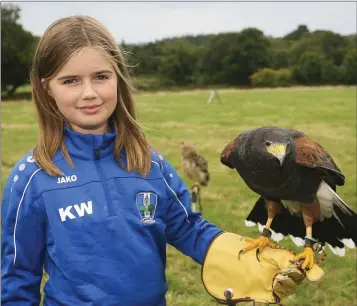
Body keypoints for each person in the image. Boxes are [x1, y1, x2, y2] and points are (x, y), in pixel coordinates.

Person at [1, 15, 312, 306]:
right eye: (70, 81)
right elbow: (17, 277)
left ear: (118, 79)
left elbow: (189, 228)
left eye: (100, 76)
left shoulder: (149, 163)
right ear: (47, 88)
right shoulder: (33, 177)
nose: (89, 93)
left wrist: (246, 257)